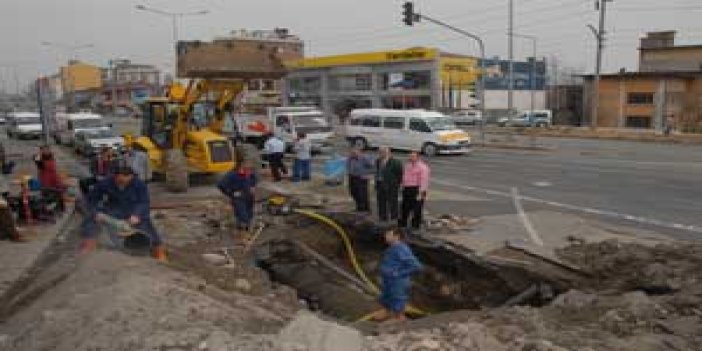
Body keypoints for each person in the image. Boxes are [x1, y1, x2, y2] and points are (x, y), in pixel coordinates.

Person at [80, 164, 166, 262]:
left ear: (131, 176)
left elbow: (144, 202)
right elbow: (91, 200)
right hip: (113, 209)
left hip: (132, 210)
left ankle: (158, 251)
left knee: (147, 225)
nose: (124, 184)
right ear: (115, 176)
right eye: (121, 181)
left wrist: (136, 215)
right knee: (91, 221)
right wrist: (96, 213)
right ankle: (89, 245)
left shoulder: (139, 184)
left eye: (127, 181)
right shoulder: (105, 183)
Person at [377, 228, 422, 322]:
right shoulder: (391, 248)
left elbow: (415, 265)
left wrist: (398, 273)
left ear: (396, 236)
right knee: (387, 295)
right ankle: (387, 311)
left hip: (398, 281)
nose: (386, 236)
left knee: (397, 297)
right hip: (388, 279)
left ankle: (399, 317)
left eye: (389, 234)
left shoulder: (402, 249)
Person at [217, 159, 257, 233]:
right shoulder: (232, 175)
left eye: (250, 169)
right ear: (242, 166)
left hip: (249, 197)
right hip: (238, 198)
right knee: (242, 214)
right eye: (247, 169)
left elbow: (254, 180)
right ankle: (244, 229)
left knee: (249, 214)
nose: (249, 171)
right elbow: (220, 185)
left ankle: (243, 228)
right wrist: (231, 193)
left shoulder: (251, 174)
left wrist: (253, 187)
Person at [399, 152, 430, 230]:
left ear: (417, 157)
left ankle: (415, 225)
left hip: (417, 189)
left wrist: (421, 192)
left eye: (413, 156)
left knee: (417, 209)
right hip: (407, 188)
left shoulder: (423, 167)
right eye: (410, 156)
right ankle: (403, 223)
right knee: (404, 207)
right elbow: (404, 177)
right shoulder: (407, 165)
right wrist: (402, 186)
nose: (411, 158)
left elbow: (424, 180)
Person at [375, 147, 403, 223]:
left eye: (383, 152)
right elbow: (377, 172)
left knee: (393, 202)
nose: (381, 154)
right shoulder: (378, 161)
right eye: (380, 152)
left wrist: (397, 184)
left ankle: (394, 217)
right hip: (380, 184)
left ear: (388, 153)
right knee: (381, 202)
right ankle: (382, 217)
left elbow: (399, 174)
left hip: (391, 186)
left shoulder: (395, 162)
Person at [33, 146, 65, 211]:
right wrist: (39, 153)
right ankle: (51, 207)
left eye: (47, 150)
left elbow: (40, 163)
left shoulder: (50, 159)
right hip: (44, 181)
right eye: (43, 150)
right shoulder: (41, 159)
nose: (45, 151)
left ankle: (59, 207)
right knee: (47, 195)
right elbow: (35, 158)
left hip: (53, 181)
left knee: (56, 194)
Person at [346, 147, 375, 213]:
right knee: (353, 192)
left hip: (361, 178)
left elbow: (373, 166)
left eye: (354, 153)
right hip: (352, 177)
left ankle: (366, 209)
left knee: (362, 194)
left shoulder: (365, 158)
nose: (352, 154)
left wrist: (368, 174)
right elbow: (348, 166)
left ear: (359, 152)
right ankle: (359, 207)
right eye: (351, 153)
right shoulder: (350, 158)